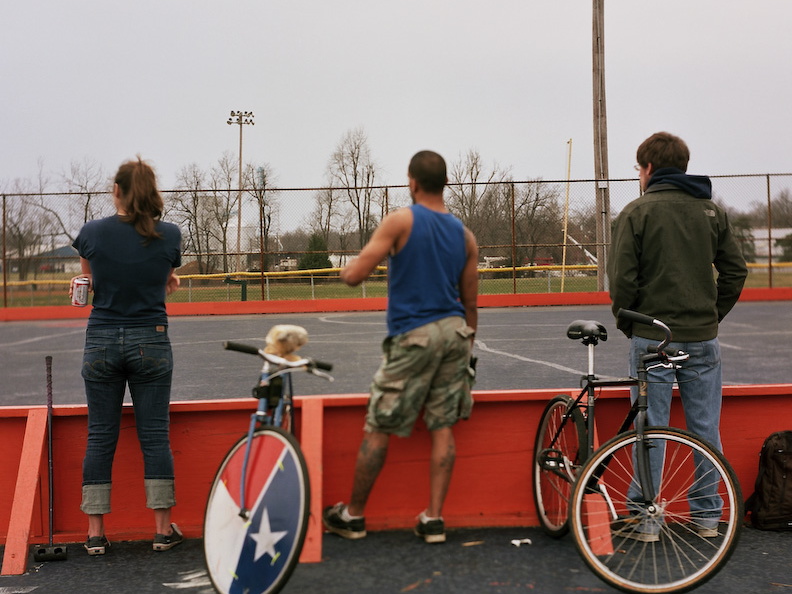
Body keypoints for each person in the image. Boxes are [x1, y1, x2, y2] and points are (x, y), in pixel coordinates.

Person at [322, 150, 479, 544]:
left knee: (380, 424)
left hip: (415, 334)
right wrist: (467, 345)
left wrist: (347, 267)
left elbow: (354, 276)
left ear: (412, 181)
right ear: (445, 183)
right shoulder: (465, 235)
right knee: (442, 425)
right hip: (456, 332)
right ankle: (433, 520)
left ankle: (353, 516)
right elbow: (471, 301)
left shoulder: (400, 220)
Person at [608, 132, 748, 539]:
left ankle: (646, 518)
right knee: (706, 428)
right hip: (702, 339)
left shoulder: (636, 213)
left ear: (649, 169)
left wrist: (629, 321)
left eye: (638, 168)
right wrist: (711, 316)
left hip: (652, 338)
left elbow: (621, 282)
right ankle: (707, 516)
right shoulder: (712, 212)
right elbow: (736, 272)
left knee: (650, 427)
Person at [70, 157, 183, 555]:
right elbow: (161, 278)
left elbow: (91, 280)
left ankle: (95, 534)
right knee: (155, 436)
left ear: (114, 190)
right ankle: (161, 530)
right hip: (150, 339)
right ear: (152, 191)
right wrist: (168, 281)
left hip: (101, 337)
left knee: (100, 436)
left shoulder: (91, 233)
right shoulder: (169, 235)